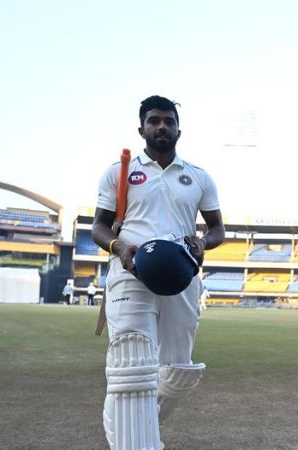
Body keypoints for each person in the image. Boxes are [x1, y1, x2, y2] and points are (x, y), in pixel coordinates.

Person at [91, 95, 225, 449]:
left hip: (181, 274)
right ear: (142, 129)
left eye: (168, 121)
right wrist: (119, 248)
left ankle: (133, 428)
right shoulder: (119, 172)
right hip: (131, 271)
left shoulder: (198, 177)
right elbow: (99, 226)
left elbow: (217, 229)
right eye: (153, 120)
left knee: (178, 371)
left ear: (179, 130)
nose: (161, 126)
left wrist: (202, 243)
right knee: (132, 365)